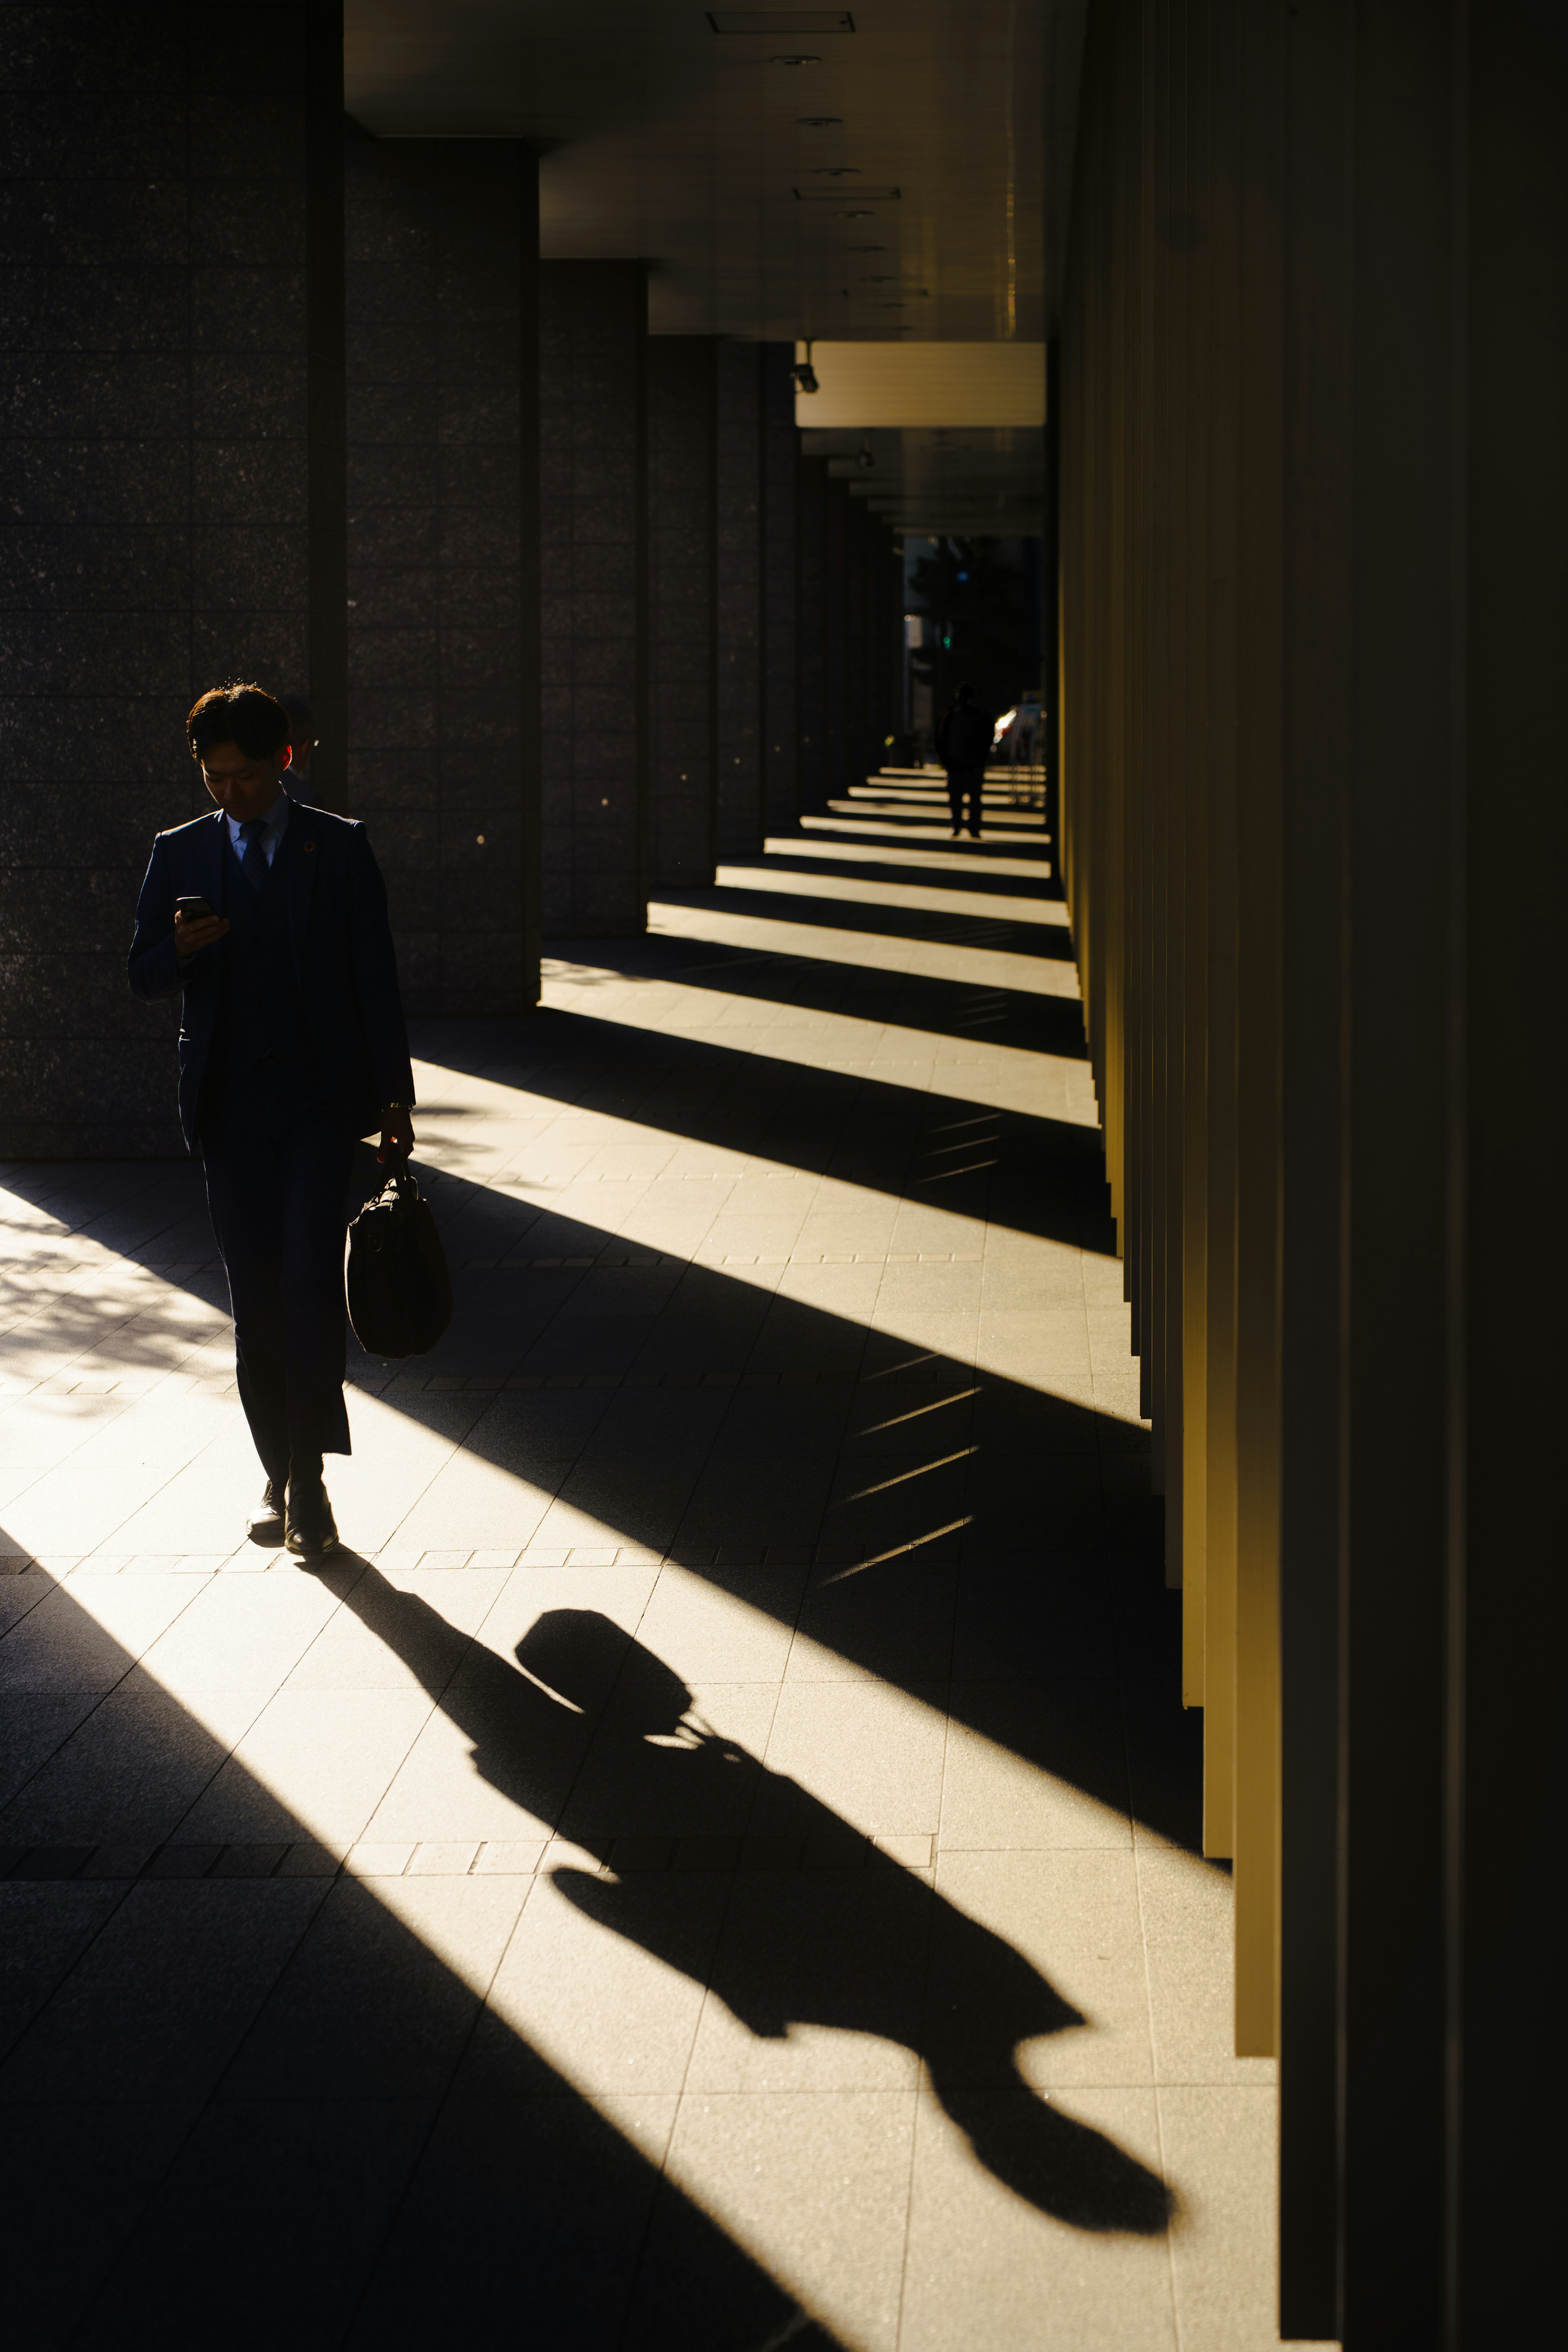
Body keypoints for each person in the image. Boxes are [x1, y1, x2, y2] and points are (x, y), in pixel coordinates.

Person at [127, 683, 415, 1558]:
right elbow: (140, 972)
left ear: (284, 760)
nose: (228, 794)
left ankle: (308, 1483)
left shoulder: (339, 847)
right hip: (229, 1111)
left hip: (318, 1107)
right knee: (255, 1303)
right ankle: (280, 1468)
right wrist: (177, 950)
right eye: (214, 778)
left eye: (245, 777)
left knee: (308, 1284)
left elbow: (376, 977)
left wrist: (394, 1099)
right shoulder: (178, 852)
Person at [935, 682, 995, 837]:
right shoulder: (981, 716)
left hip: (957, 763)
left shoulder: (950, 716)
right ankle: (972, 828)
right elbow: (988, 738)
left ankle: (958, 826)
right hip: (971, 764)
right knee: (973, 799)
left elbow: (941, 740)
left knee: (957, 799)